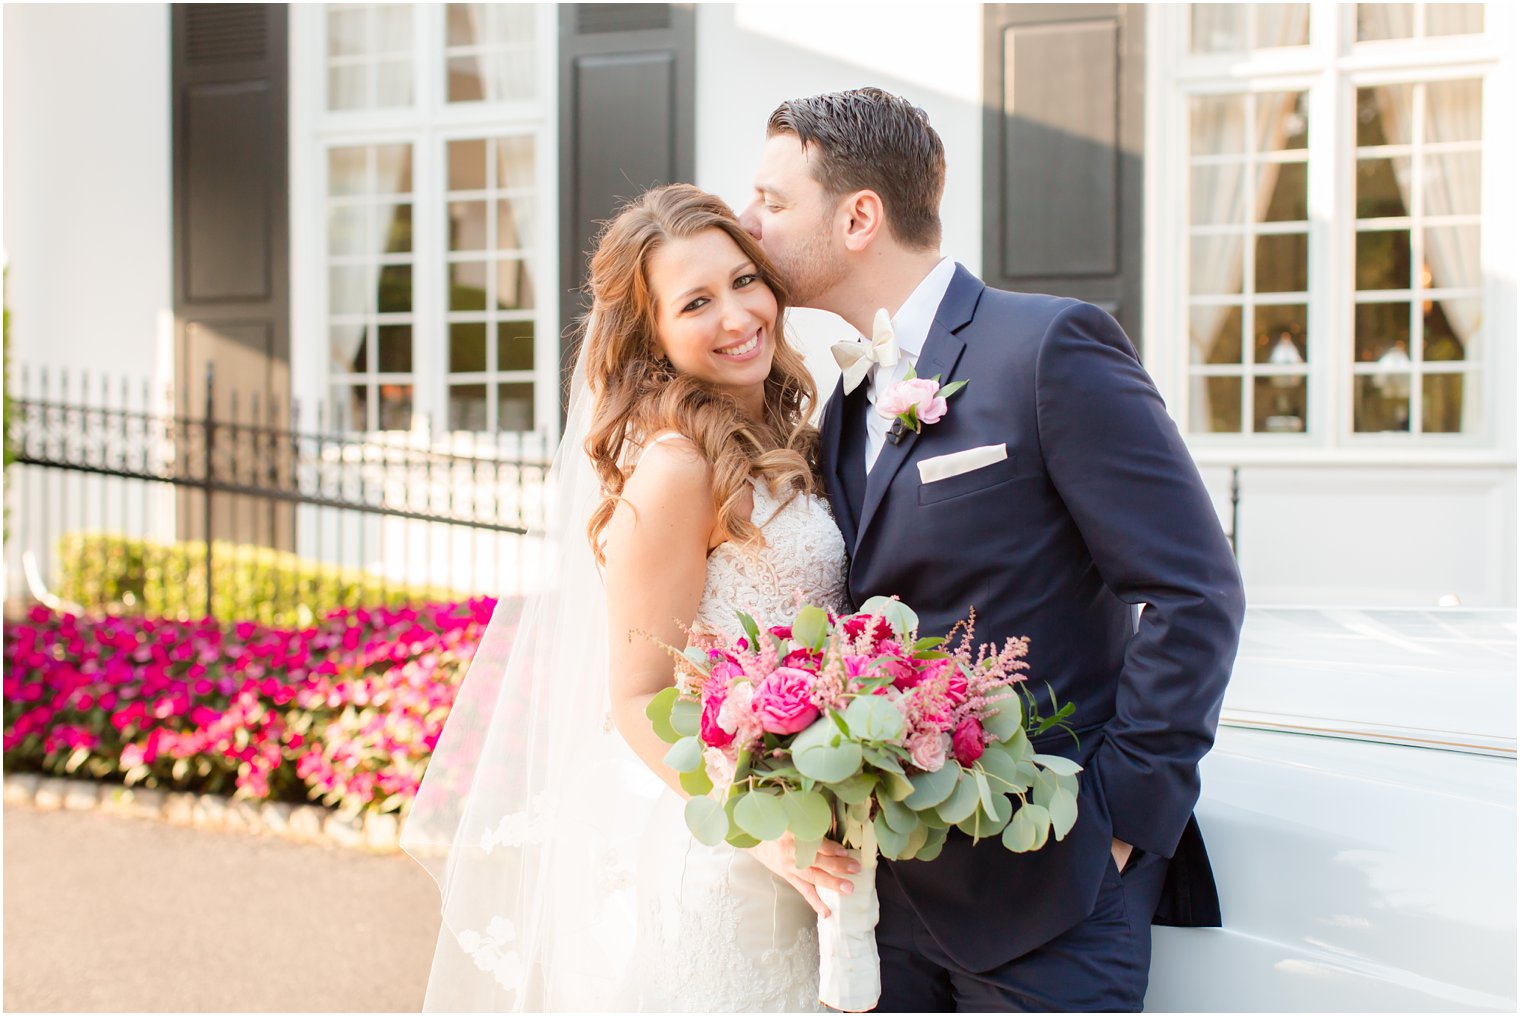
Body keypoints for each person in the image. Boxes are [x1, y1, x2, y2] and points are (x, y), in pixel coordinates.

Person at [739, 88, 1246, 1012]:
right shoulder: (845, 402)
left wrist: (1117, 830)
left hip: (1052, 901)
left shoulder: (1049, 346)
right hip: (889, 904)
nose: (748, 224)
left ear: (859, 217)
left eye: (772, 201)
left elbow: (1195, 592)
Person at [403, 184, 855, 1011]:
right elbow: (639, 695)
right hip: (728, 856)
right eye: (696, 302)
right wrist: (762, 827)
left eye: (744, 280)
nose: (736, 315)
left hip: (811, 835)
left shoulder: (792, 433)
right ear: (656, 336)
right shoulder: (678, 469)